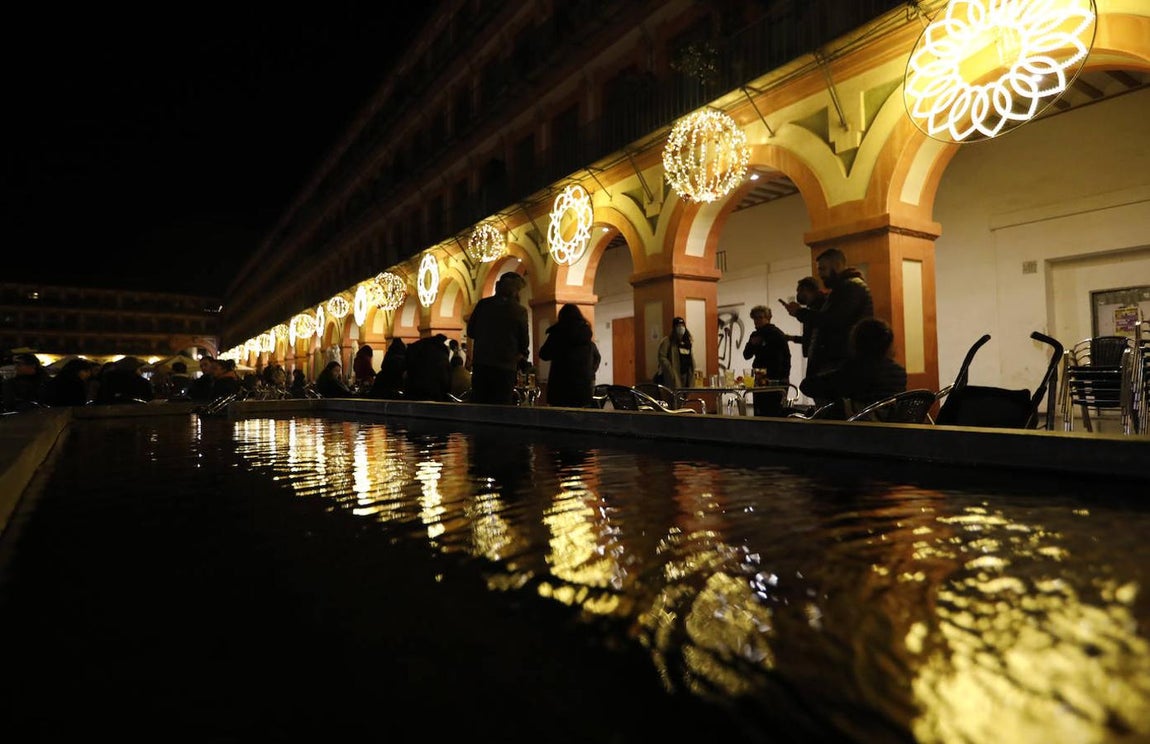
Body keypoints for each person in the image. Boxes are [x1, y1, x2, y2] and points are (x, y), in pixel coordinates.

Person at [781, 248, 873, 380]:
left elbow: (833, 320)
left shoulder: (850, 288)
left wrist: (799, 312)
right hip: (838, 359)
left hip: (840, 360)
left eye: (823, 269)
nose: (820, 274)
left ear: (837, 266)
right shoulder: (843, 289)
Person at [799, 317, 907, 419]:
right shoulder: (899, 373)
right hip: (891, 431)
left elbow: (808, 386)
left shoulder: (856, 370)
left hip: (857, 431)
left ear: (857, 342)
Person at [465, 271, 529, 405]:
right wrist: (521, 354)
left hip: (481, 365)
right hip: (505, 367)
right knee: (501, 408)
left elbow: (471, 332)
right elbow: (524, 341)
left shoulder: (483, 305)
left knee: (480, 405)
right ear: (515, 290)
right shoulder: (519, 311)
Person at [537, 303, 601, 408]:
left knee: (559, 419)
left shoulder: (557, 333)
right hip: (582, 388)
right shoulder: (585, 334)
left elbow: (544, 354)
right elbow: (597, 357)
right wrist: (589, 372)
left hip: (559, 387)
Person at [741, 305, 791, 416]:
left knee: (773, 409)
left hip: (775, 375)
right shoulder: (755, 335)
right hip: (760, 374)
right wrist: (752, 344)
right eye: (754, 318)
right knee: (760, 407)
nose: (757, 321)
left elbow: (785, 357)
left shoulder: (776, 334)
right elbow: (746, 355)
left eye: (760, 317)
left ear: (768, 318)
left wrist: (784, 377)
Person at [783, 276, 827, 361]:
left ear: (808, 289)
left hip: (823, 358)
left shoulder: (822, 307)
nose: (798, 295)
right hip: (816, 357)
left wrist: (798, 312)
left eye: (800, 291)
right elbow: (810, 338)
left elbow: (822, 325)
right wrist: (791, 338)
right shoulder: (812, 309)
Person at [404, 334, 452, 401]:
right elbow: (445, 377)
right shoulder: (440, 352)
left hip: (417, 393)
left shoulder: (421, 347)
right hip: (436, 394)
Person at [655, 316, 696, 389]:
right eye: (678, 326)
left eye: (682, 326)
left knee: (683, 396)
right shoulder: (668, 341)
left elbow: (691, 358)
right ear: (674, 328)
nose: (681, 328)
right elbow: (662, 357)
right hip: (674, 375)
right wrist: (670, 371)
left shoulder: (687, 343)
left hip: (686, 376)